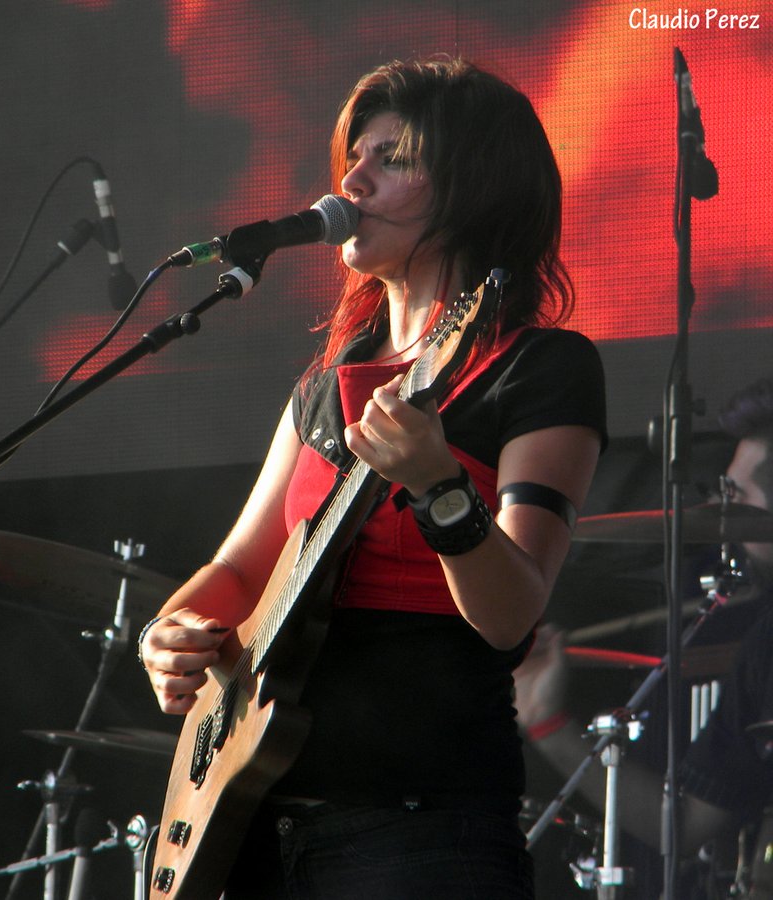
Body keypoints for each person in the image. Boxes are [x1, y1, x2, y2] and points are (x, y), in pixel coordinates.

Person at [137, 56, 607, 898]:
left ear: (474, 187)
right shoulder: (324, 388)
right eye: (356, 156)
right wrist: (170, 631)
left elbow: (511, 615)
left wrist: (441, 490)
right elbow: (243, 567)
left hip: (419, 833)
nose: (351, 180)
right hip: (255, 827)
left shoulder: (537, 370)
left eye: (393, 159)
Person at [515, 377, 773, 895]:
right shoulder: (763, 646)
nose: (725, 516)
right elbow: (681, 823)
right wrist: (548, 723)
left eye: (738, 496)